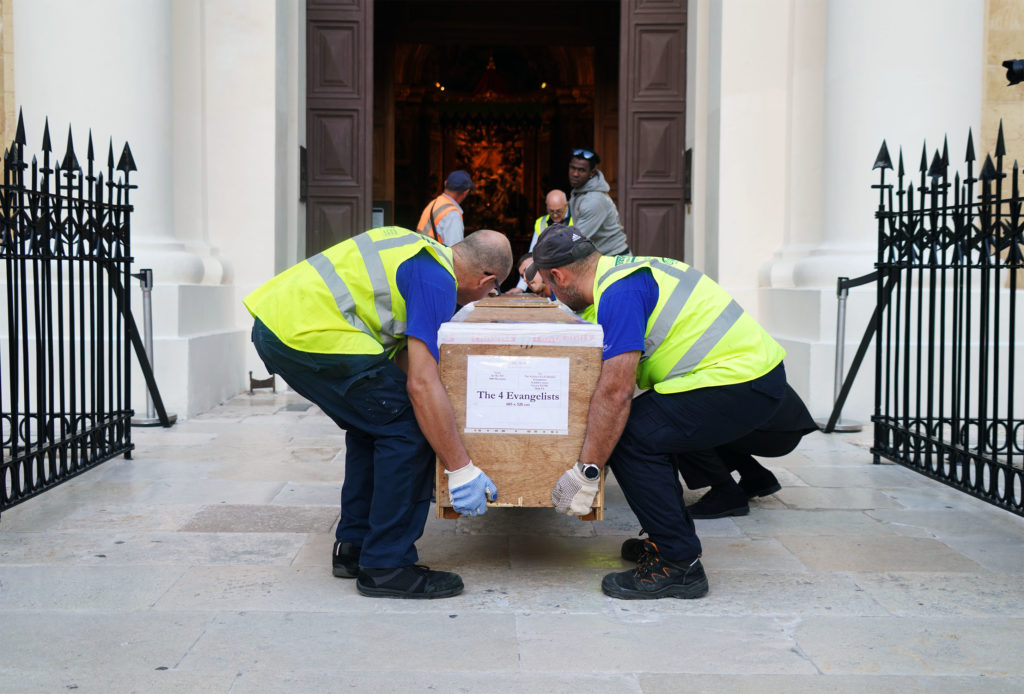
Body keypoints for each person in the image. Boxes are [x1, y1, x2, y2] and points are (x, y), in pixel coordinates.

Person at [244, 226, 512, 600]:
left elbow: (403, 367)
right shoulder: (438, 280)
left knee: (375, 423)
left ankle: (354, 548)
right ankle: (387, 566)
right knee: (408, 432)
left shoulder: (420, 252)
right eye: (491, 290)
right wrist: (460, 467)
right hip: (310, 332)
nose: (484, 296)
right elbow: (420, 385)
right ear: (487, 279)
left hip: (280, 323)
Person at [532, 224, 788, 600]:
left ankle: (679, 563)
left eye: (550, 288)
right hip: (745, 375)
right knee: (645, 430)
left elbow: (617, 392)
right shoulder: (623, 272)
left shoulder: (618, 293)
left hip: (742, 381)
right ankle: (668, 541)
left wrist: (587, 471)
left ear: (559, 275)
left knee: (631, 437)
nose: (554, 295)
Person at [678, 384, 818, 519]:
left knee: (676, 425)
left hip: (771, 430)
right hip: (787, 425)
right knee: (703, 412)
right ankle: (755, 476)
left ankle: (726, 494)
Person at [567, 149, 630, 256]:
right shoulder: (579, 192)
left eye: (581, 170)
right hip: (600, 256)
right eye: (573, 168)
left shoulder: (594, 200)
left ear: (591, 173)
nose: (575, 174)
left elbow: (576, 238)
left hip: (614, 258)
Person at [509, 189, 573, 293]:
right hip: (550, 279)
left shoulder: (577, 221)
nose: (555, 215)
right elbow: (532, 257)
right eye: (551, 211)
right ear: (546, 206)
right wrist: (521, 287)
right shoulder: (541, 223)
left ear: (567, 205)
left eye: (559, 211)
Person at [416, 170, 474, 245]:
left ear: (445, 183)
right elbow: (454, 251)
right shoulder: (452, 214)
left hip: (424, 253)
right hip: (435, 256)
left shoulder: (435, 203)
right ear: (465, 192)